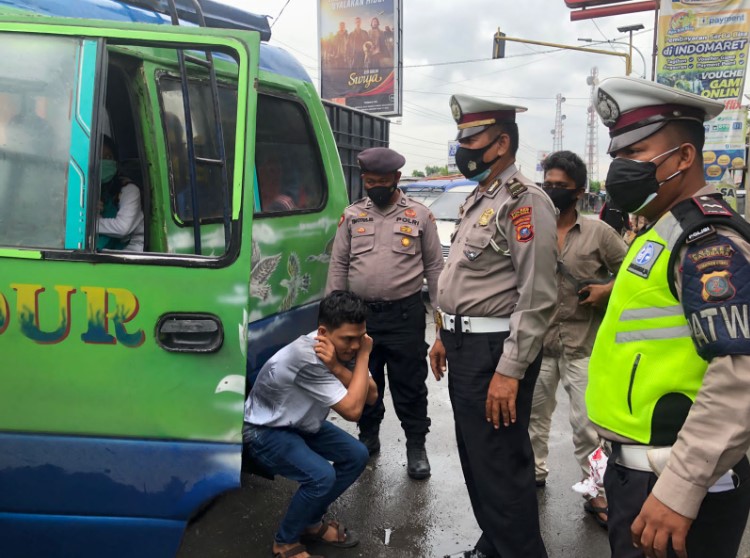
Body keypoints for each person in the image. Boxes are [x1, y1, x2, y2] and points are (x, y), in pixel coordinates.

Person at [587, 76, 750, 558]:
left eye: (636, 152)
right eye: (618, 154)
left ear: (683, 157)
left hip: (674, 480)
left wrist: (679, 489)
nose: (621, 168)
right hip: (642, 472)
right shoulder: (663, 229)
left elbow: (739, 374)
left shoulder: (707, 242)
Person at [430, 94, 558, 558]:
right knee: (478, 461)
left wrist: (510, 370)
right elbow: (466, 279)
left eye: (471, 139)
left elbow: (537, 295)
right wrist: (446, 333)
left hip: (494, 355)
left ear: (501, 143)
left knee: (501, 467)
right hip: (466, 346)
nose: (462, 148)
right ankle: (494, 547)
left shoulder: (526, 203)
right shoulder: (481, 199)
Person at [326, 146, 443, 480]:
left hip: (405, 316)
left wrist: (441, 321)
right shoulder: (352, 216)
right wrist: (331, 319)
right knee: (364, 379)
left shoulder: (419, 215)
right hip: (362, 318)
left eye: (382, 180)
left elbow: (435, 268)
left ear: (397, 179)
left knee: (410, 385)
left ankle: (416, 446)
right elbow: (339, 265)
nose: (375, 186)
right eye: (369, 181)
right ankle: (368, 437)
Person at [528, 150, 628, 529]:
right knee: (534, 418)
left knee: (587, 426)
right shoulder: (530, 231)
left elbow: (633, 274)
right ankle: (534, 474)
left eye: (561, 186)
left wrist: (606, 290)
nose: (552, 191)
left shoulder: (600, 233)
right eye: (548, 184)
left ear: (579, 192)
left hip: (583, 345)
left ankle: (596, 489)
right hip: (538, 344)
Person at [243, 290, 377, 558]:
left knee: (356, 455)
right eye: (349, 340)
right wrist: (363, 358)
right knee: (321, 477)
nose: (355, 346)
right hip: (264, 430)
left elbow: (371, 395)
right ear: (323, 332)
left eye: (360, 339)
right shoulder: (308, 358)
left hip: (300, 422)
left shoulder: (341, 351)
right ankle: (285, 543)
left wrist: (340, 368)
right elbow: (353, 410)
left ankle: (310, 522)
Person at [98, 136, 145, 251]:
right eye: (99, 157)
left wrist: (89, 222)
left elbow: (122, 228)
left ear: (116, 161)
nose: (104, 161)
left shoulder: (129, 189)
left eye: (108, 157)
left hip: (130, 250)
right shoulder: (90, 188)